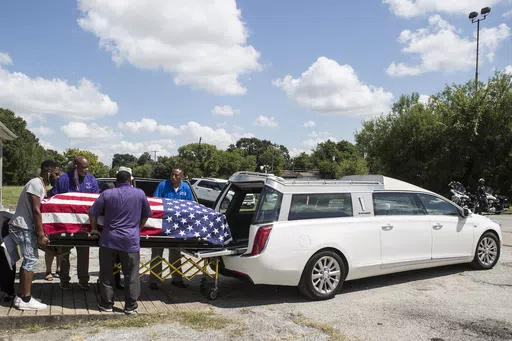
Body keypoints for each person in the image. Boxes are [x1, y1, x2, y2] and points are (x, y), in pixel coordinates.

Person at [89, 169, 152, 314]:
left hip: (109, 240)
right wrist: (137, 228)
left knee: (106, 273)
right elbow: (147, 214)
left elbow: (93, 212)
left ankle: (106, 304)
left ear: (116, 181)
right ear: (130, 180)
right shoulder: (140, 193)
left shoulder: (107, 194)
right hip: (130, 240)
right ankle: (130, 306)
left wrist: (94, 229)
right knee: (131, 274)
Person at [9, 160, 59, 310]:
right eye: (56, 174)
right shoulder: (35, 184)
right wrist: (41, 234)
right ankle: (25, 299)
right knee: (30, 260)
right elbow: (36, 210)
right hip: (23, 227)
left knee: (30, 260)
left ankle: (22, 296)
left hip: (25, 227)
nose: (58, 177)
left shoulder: (40, 185)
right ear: (48, 172)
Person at [50, 156, 99, 290]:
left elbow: (96, 198)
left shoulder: (91, 179)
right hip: (66, 224)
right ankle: (64, 279)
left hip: (84, 225)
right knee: (64, 253)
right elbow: (54, 198)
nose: (87, 169)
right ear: (76, 166)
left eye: (87, 166)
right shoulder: (64, 179)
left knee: (84, 254)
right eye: (84, 167)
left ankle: (83, 280)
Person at [149, 167, 193, 290]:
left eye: (176, 175)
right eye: (172, 175)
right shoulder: (163, 185)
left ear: (182, 177)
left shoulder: (186, 188)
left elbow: (190, 205)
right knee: (157, 252)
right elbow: (155, 202)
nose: (173, 177)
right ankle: (154, 279)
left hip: (177, 226)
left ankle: (177, 279)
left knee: (175, 252)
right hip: (162, 225)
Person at [44, 167, 61, 282]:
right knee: (49, 248)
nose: (58, 177)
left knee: (61, 248)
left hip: (61, 222)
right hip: (51, 223)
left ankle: (59, 269)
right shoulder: (48, 193)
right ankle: (48, 271)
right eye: (56, 175)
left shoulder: (65, 191)